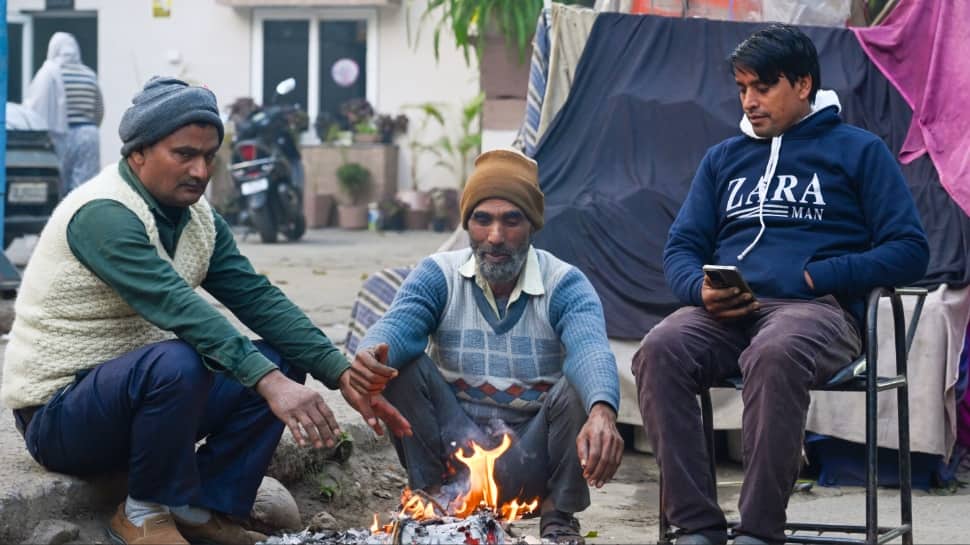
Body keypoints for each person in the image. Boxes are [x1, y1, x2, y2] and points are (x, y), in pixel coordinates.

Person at [1, 76, 409, 545]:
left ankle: (202, 507)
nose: (200, 170)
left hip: (138, 400)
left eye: (209, 156)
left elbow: (257, 297)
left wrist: (341, 374)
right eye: (184, 154)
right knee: (187, 359)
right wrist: (269, 384)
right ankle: (142, 512)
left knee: (279, 358)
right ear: (137, 153)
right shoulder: (102, 213)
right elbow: (180, 308)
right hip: (59, 417)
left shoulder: (197, 218)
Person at [631, 24, 930, 545]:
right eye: (742, 89)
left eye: (763, 87)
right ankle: (698, 526)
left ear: (803, 84)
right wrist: (699, 291)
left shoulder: (859, 151)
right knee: (660, 348)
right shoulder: (723, 159)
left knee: (775, 352)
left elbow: (910, 249)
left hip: (818, 313)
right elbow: (681, 248)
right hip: (727, 313)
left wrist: (822, 274)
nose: (749, 101)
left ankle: (758, 531)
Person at [348, 149, 624, 545]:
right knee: (400, 366)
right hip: (455, 454)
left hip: (534, 460)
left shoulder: (566, 283)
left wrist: (603, 410)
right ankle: (432, 503)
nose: (495, 237)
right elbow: (398, 326)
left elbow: (590, 349)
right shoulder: (438, 273)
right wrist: (370, 353)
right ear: (467, 224)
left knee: (582, 386)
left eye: (511, 220)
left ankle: (559, 518)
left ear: (532, 226)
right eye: (483, 220)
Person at [24, 32, 105, 194]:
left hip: (61, 136)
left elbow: (35, 105)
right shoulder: (89, 74)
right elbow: (99, 109)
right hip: (89, 134)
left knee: (60, 185)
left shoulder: (48, 73)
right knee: (85, 187)